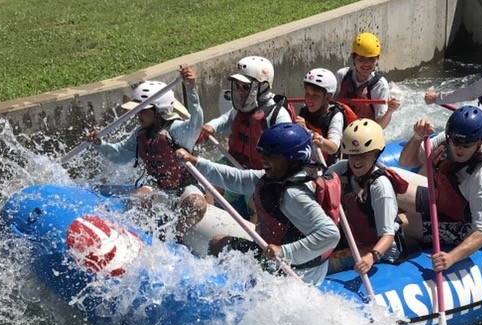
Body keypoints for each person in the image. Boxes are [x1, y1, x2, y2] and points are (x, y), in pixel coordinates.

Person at [176, 124, 340, 285]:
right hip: (296, 263)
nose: (263, 158)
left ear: (292, 160)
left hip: (296, 272)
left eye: (271, 155)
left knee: (218, 245)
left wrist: (284, 252)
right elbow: (237, 179)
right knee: (220, 243)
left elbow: (330, 234)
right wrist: (196, 162)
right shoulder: (277, 178)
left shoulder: (294, 195)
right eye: (263, 153)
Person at [88, 66, 206, 237]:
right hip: (158, 188)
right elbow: (120, 155)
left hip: (185, 188)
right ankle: (143, 236)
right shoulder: (140, 133)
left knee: (197, 204)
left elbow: (196, 122)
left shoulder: (178, 130)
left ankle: (175, 237)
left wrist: (191, 89)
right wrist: (100, 144)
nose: (138, 114)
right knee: (139, 198)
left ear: (158, 111)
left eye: (143, 110)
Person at [398, 106, 482, 272]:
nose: (459, 149)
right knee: (394, 185)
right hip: (450, 201)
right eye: (455, 143)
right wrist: (417, 137)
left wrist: (451, 258)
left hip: (469, 225)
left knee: (401, 223)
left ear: (479, 141)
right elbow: (406, 162)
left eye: (466, 145)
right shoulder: (451, 138)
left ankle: (409, 251)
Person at [326, 119, 409, 275]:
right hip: (355, 238)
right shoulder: (343, 168)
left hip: (382, 251)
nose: (356, 161)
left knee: (326, 264)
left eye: (363, 155)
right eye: (353, 155)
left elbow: (388, 235)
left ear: (376, 154)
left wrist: (372, 256)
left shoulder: (380, 187)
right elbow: (320, 182)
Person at [201, 56, 293, 170]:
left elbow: (287, 149)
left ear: (262, 87)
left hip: (262, 172)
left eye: (245, 87)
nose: (240, 91)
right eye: (237, 86)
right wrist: (212, 126)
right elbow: (227, 119)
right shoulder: (242, 107)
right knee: (204, 171)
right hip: (234, 162)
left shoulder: (278, 114)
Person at [335, 32, 400, 128]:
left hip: (365, 131)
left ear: (377, 60)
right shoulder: (342, 75)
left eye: (371, 59)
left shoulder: (380, 85)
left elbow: (380, 126)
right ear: (353, 57)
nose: (366, 64)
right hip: (339, 126)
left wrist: (389, 111)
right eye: (361, 59)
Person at [295, 68, 346, 165]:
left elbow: (332, 148)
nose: (309, 99)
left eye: (315, 95)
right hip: (307, 163)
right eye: (307, 93)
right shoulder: (304, 109)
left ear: (328, 97)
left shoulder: (335, 115)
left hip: (328, 168)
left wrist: (308, 132)